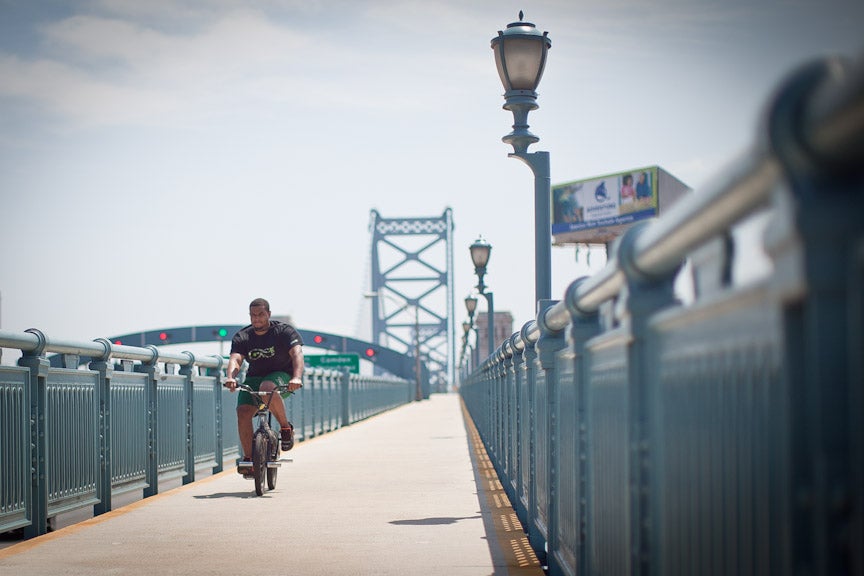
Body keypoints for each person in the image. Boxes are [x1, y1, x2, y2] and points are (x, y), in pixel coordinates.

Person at [224, 298, 304, 473]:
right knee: (243, 412)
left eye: (261, 314)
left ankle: (285, 428)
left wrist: (296, 377)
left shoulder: (283, 332)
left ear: (268, 314)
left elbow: (297, 354)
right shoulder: (243, 336)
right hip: (254, 377)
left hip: (282, 376)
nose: (257, 319)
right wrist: (230, 376)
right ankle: (250, 459)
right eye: (253, 315)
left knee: (268, 388)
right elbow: (235, 359)